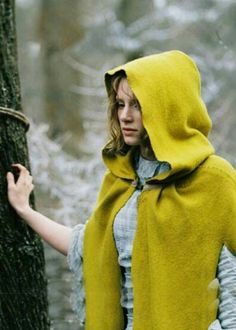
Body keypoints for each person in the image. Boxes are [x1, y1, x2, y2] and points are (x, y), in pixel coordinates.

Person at [6, 50, 236, 330]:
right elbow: (87, 245)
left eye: (137, 105)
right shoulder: (121, 179)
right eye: (120, 104)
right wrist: (25, 210)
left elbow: (231, 274)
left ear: (168, 107)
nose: (125, 116)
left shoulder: (214, 178)